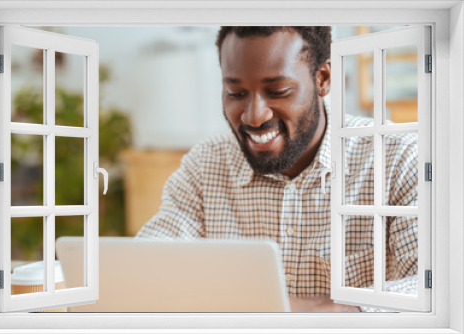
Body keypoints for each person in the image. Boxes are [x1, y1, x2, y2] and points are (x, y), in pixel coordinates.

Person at [137, 27, 419, 312]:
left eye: (278, 91)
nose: (254, 116)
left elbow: (432, 286)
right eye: (236, 93)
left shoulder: (398, 157)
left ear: (322, 79)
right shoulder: (205, 164)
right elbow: (148, 268)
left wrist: (329, 312)